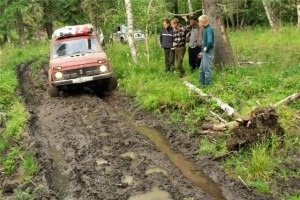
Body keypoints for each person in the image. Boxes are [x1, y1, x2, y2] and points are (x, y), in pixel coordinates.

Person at [198, 15, 214, 86]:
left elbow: (210, 41)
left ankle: (208, 86)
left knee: (207, 69)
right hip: (204, 52)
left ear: (203, 21)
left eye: (199, 21)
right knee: (201, 69)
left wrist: (206, 49)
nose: (199, 23)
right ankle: (201, 84)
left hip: (208, 52)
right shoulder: (205, 29)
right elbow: (204, 42)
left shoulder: (209, 29)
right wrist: (201, 52)